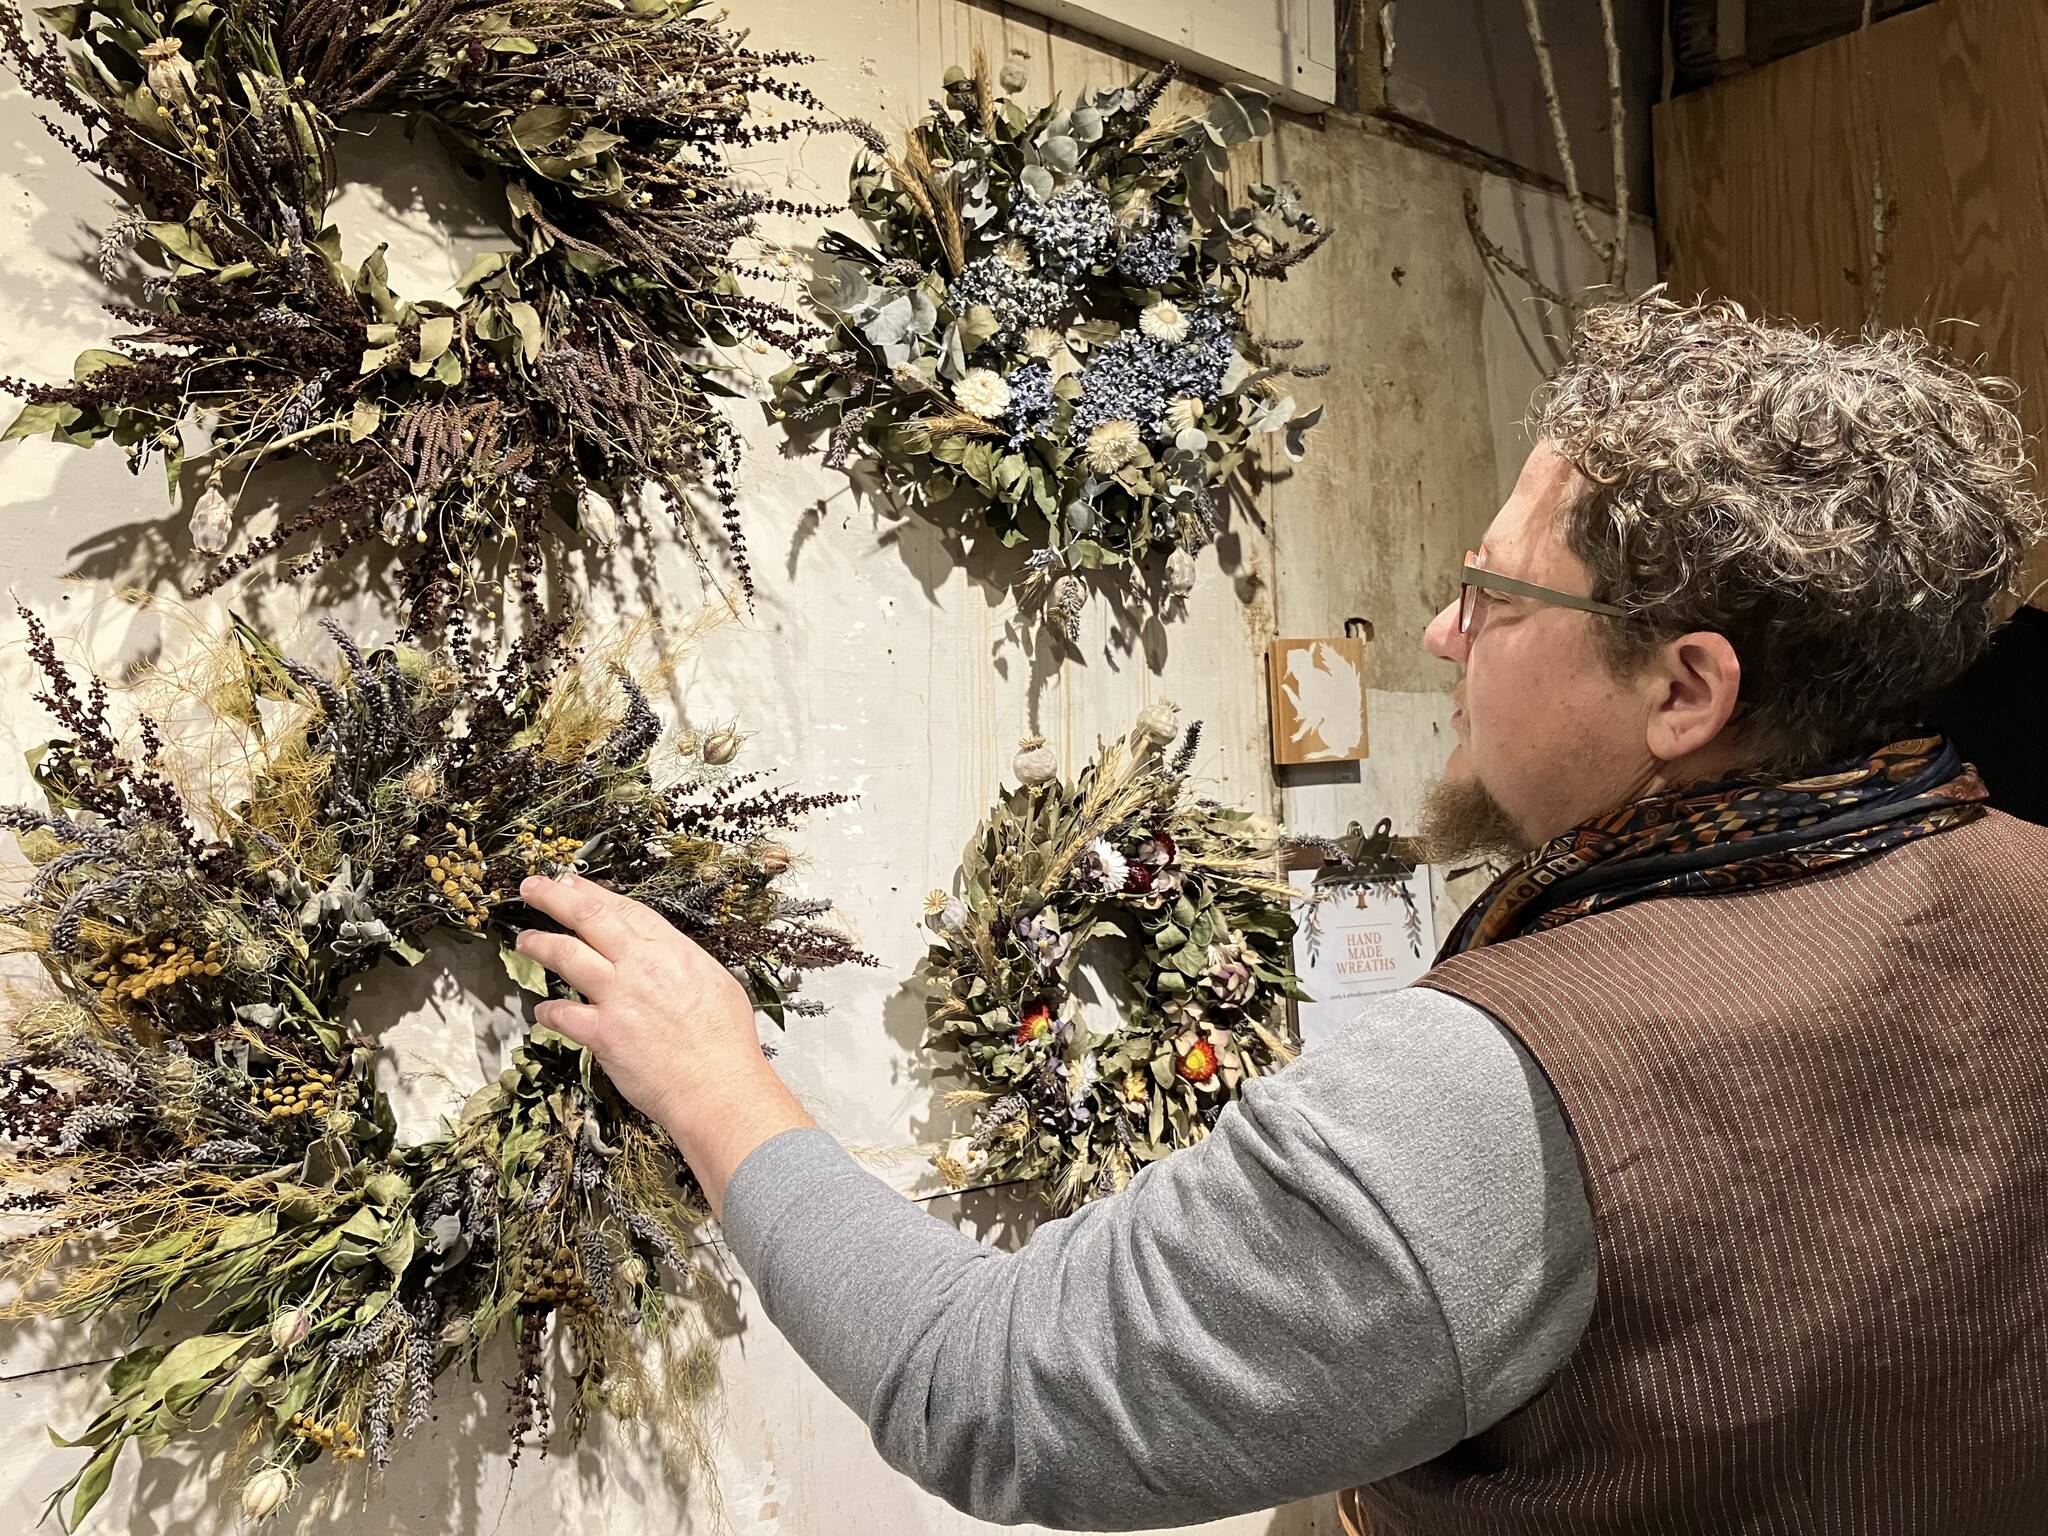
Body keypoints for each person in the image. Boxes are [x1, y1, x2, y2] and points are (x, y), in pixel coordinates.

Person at [512, 294, 2048, 1533]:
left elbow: (1004, 1398)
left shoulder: (1512, 1084)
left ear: (1683, 689)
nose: (1444, 632)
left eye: (1499, 598)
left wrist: (717, 1081)